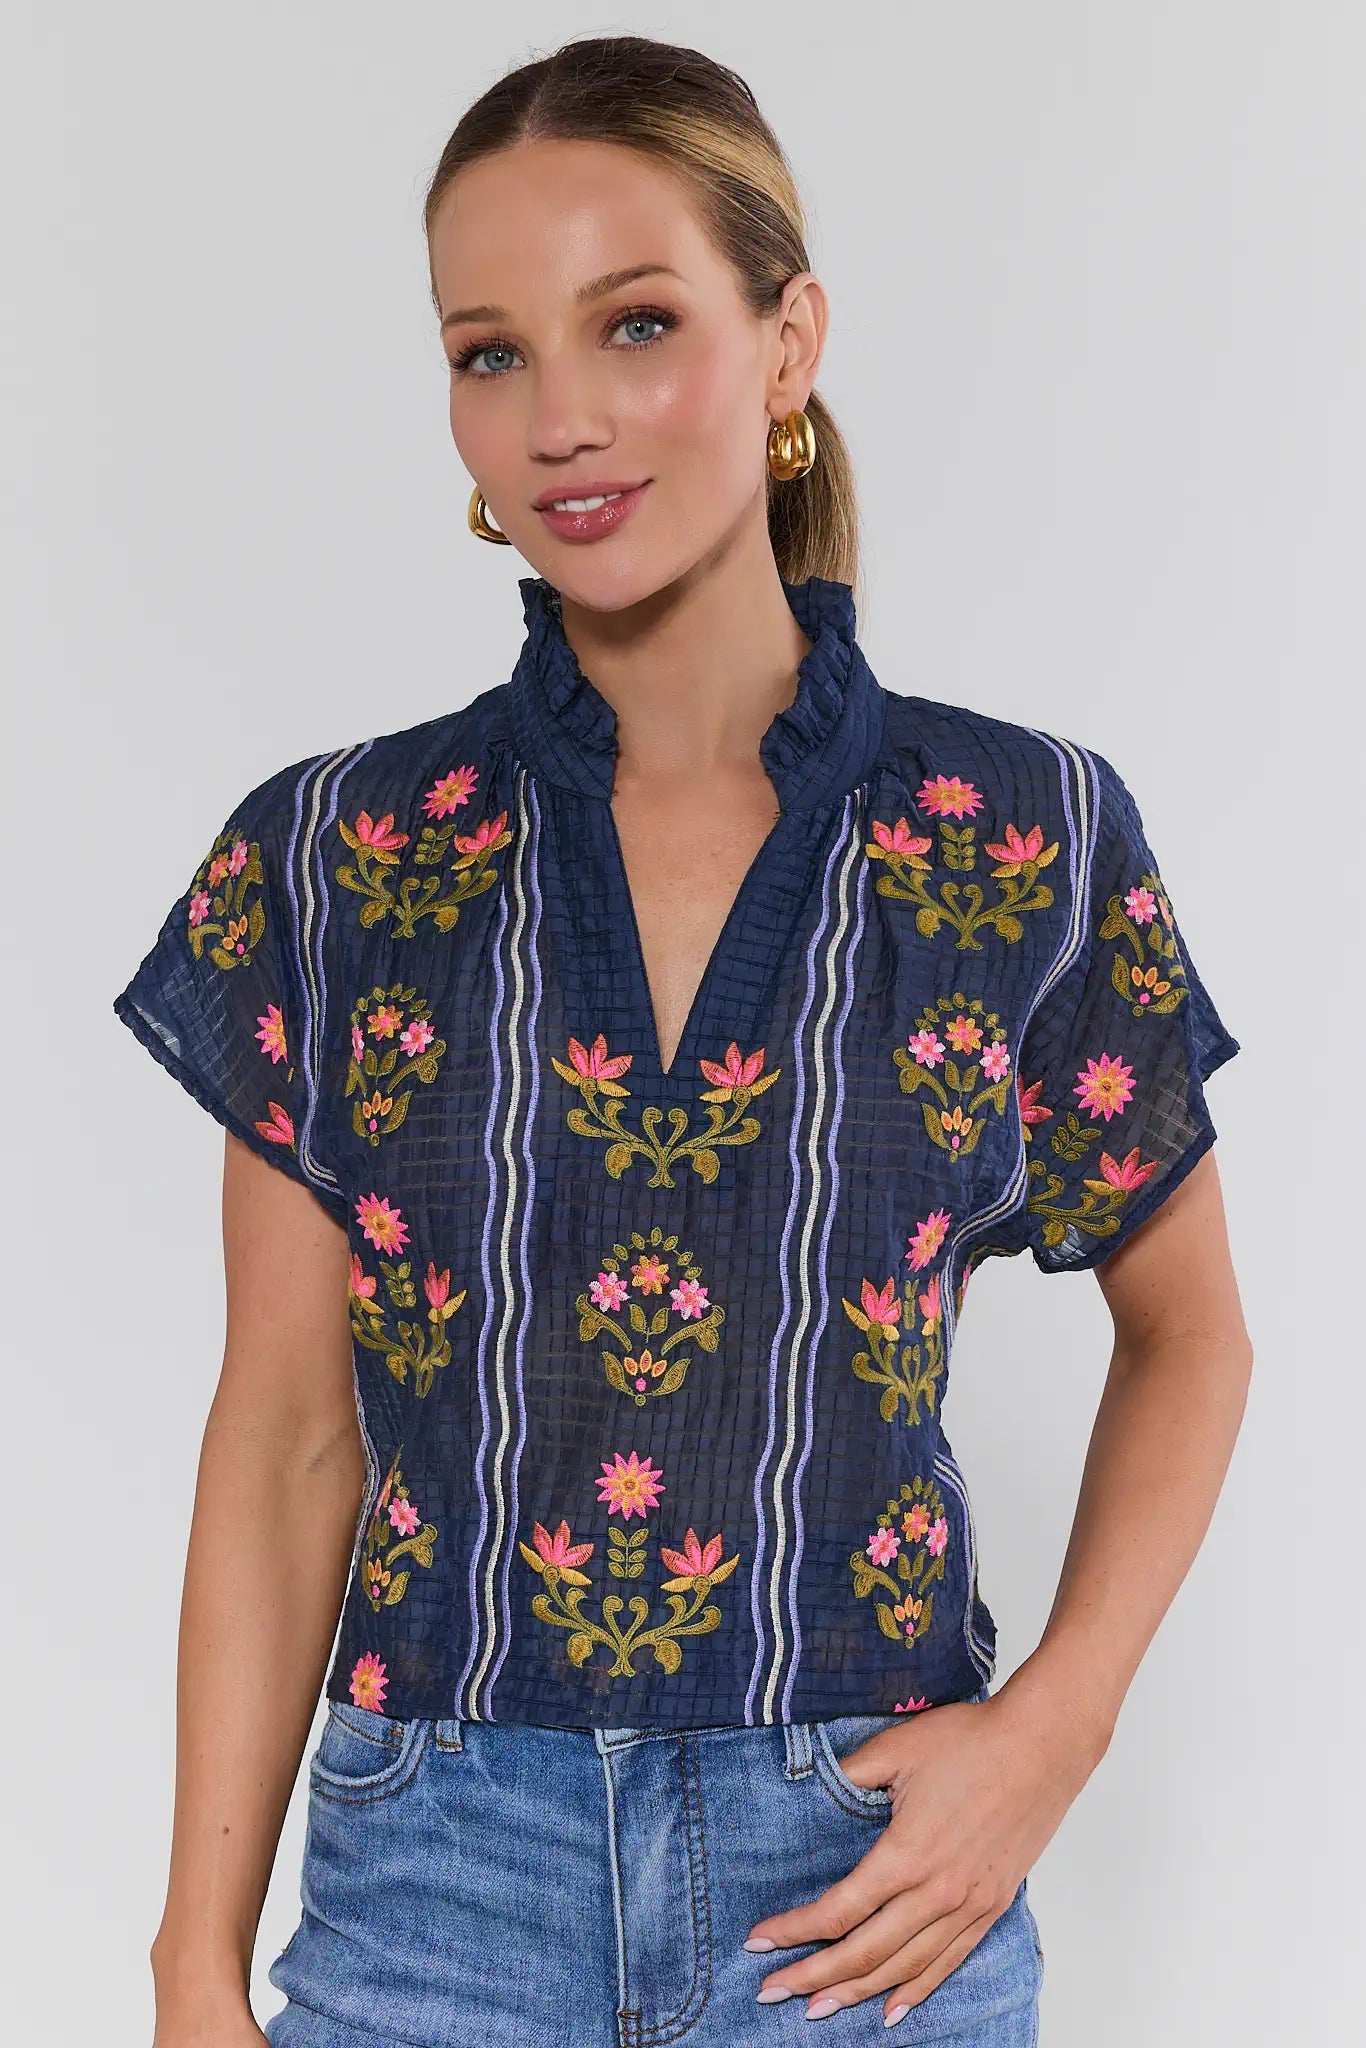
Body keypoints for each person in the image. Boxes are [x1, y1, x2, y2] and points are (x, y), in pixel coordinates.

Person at [114, 33, 1251, 2048]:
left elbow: (1191, 1333)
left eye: (633, 322)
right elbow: (287, 1430)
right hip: (429, 1878)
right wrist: (193, 1966)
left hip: (864, 1883)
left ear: (787, 338)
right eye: (489, 352)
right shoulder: (334, 856)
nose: (560, 417)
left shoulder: (1019, 837)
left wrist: (1046, 1735)